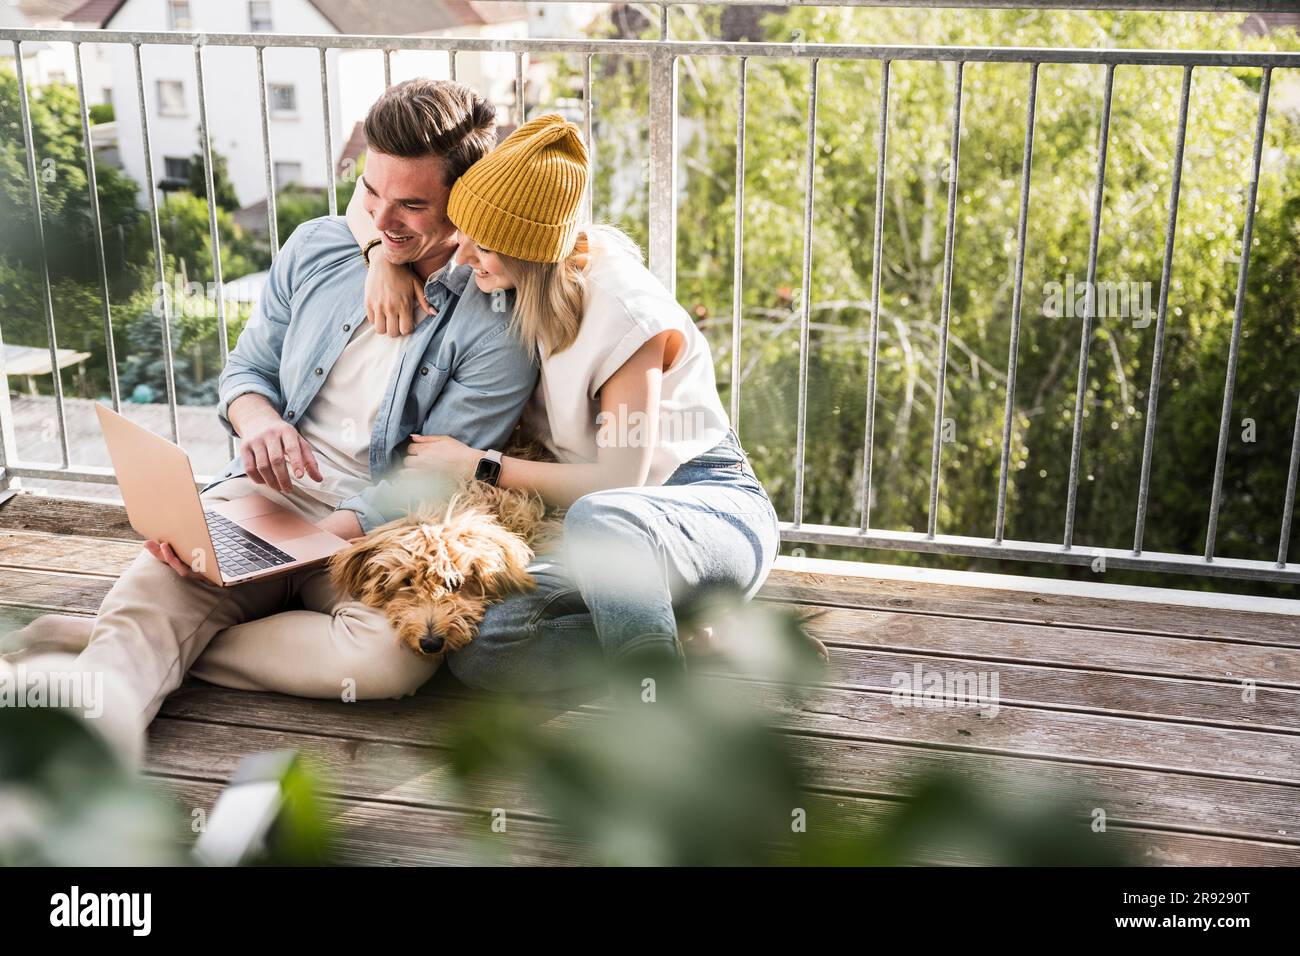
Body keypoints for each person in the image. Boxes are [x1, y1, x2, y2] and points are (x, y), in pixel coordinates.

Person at [0, 79, 538, 766]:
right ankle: (90, 757)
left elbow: (429, 487)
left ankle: (142, 638)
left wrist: (304, 546)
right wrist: (257, 424)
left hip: (367, 538)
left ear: (463, 204)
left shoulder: (493, 323)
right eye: (372, 194)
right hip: (258, 501)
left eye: (411, 205)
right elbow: (244, 372)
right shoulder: (320, 247)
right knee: (130, 648)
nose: (382, 217)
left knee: (389, 664)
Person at [347, 113, 781, 702]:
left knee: (603, 518)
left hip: (692, 510)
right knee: (488, 644)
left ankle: (658, 707)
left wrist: (479, 465)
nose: (464, 254)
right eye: (464, 232)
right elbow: (365, 201)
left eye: (485, 245)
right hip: (598, 545)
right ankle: (684, 636)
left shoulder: (625, 312)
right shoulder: (509, 280)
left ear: (535, 254)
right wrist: (380, 256)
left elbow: (618, 483)